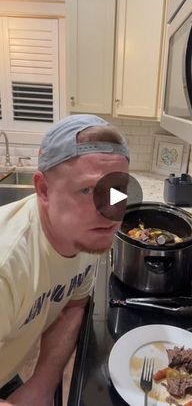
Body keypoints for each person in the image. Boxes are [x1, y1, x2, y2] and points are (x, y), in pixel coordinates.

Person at [0, 114, 130, 405]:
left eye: (116, 190)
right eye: (86, 190)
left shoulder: (85, 233)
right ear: (43, 190)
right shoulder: (7, 268)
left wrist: (43, 382)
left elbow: (74, 303)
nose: (110, 214)